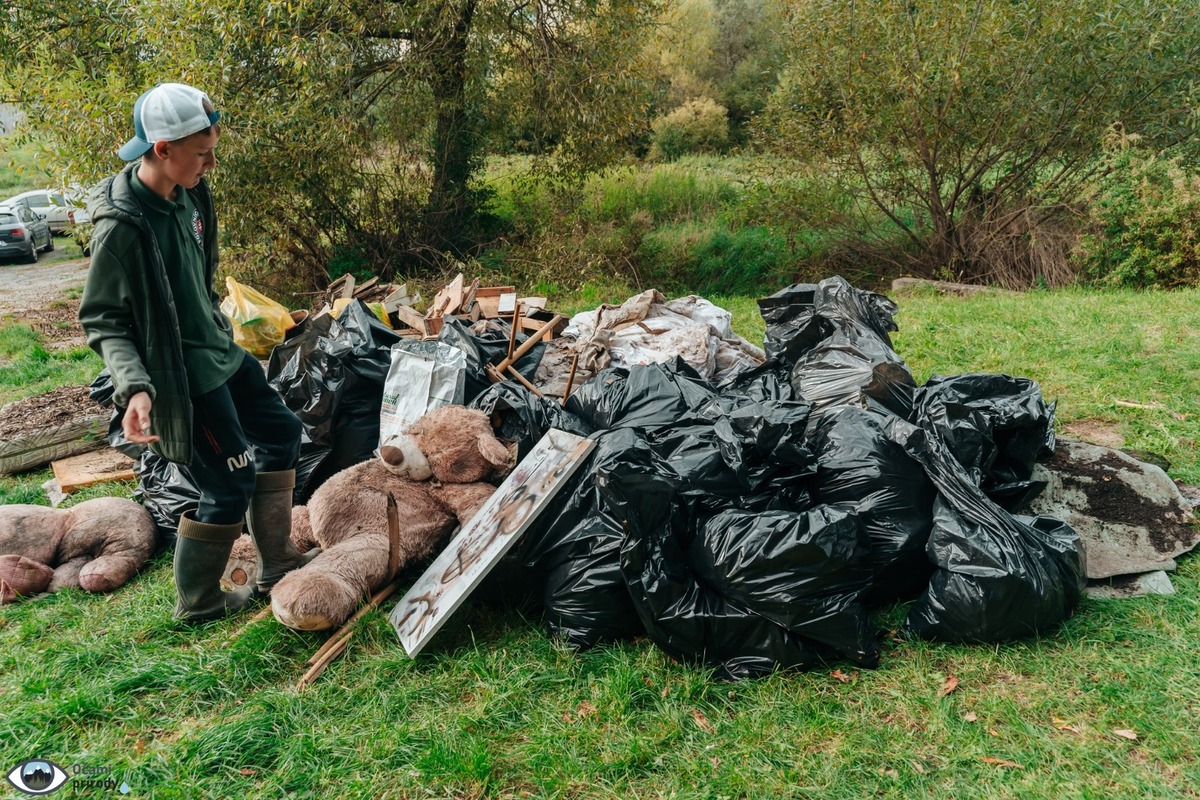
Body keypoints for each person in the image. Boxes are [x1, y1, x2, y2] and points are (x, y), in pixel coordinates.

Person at [78, 83, 313, 622]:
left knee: (279, 434)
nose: (209, 163)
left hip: (221, 353)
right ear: (162, 149)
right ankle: (200, 601)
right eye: (201, 153)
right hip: (181, 377)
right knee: (228, 483)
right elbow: (102, 319)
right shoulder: (121, 228)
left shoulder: (192, 193)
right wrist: (134, 385)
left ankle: (276, 560)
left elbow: (194, 277)